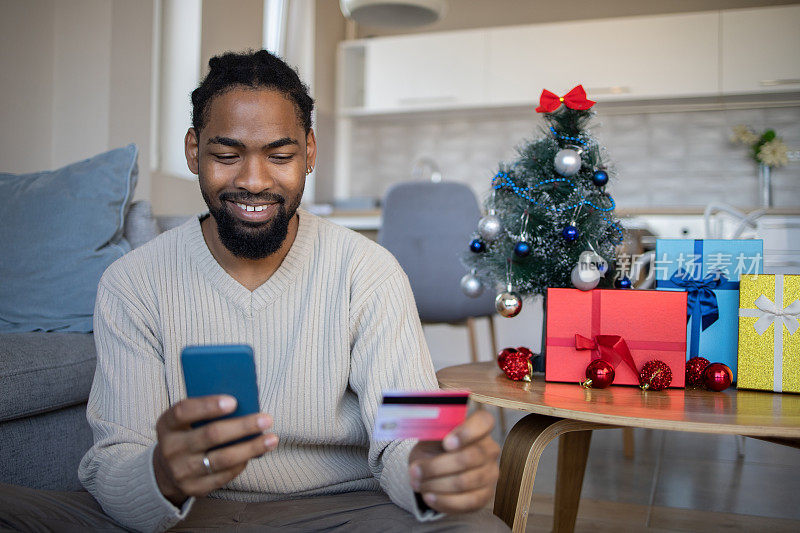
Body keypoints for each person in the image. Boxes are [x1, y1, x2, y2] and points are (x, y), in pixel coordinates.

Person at [0, 50, 508, 532]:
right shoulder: (134, 281)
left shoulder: (369, 269)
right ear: (193, 150)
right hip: (182, 515)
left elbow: (410, 429)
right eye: (226, 154)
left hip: (339, 514)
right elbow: (114, 459)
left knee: (477, 528)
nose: (253, 180)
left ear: (309, 151)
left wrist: (433, 464)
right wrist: (161, 474)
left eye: (279, 155)